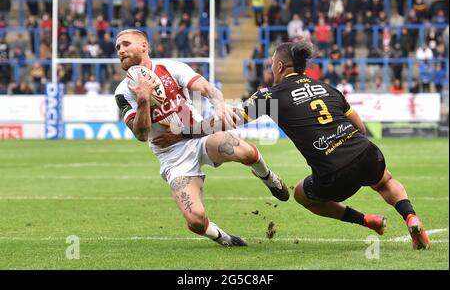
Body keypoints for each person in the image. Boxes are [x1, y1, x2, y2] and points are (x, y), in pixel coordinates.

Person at [158, 41, 431, 250]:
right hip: (365, 151)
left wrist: (185, 132)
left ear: (279, 67)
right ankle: (411, 218)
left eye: (270, 64)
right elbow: (359, 127)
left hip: (334, 171)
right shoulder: (326, 87)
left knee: (302, 194)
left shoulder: (271, 96)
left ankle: (366, 220)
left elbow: (227, 121)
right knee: (384, 181)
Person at [113, 29, 289, 248]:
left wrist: (220, 104)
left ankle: (269, 178)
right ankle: (224, 238)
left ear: (144, 47)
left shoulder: (170, 67)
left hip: (197, 136)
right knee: (196, 221)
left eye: (125, 44)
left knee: (244, 151)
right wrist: (142, 100)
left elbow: (206, 88)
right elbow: (140, 135)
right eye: (118, 47)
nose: (120, 50)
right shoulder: (123, 92)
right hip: (172, 156)